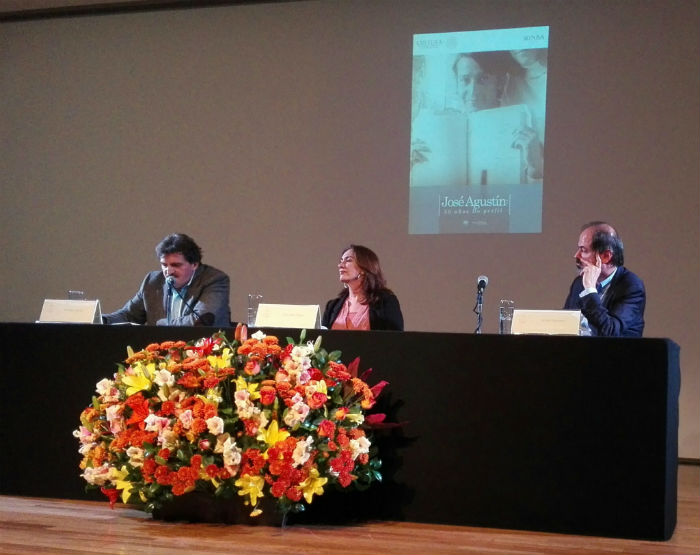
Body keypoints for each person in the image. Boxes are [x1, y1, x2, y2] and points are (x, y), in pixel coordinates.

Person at [102, 233, 231, 326]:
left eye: (176, 265)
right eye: (164, 265)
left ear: (194, 264)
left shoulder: (214, 280)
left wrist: (159, 324)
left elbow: (200, 320)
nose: (168, 271)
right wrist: (101, 320)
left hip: (203, 356)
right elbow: (129, 315)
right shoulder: (152, 282)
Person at [563, 222, 645, 337]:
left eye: (583, 250)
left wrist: (590, 291)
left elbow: (611, 331)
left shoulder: (631, 285)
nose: (576, 255)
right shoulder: (579, 283)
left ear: (606, 256)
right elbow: (566, 325)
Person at [322, 245, 403, 331]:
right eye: (341, 261)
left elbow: (396, 340)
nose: (340, 265)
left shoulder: (385, 301)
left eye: (348, 260)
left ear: (364, 268)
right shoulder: (332, 306)